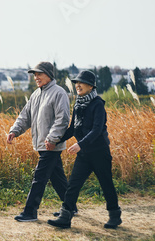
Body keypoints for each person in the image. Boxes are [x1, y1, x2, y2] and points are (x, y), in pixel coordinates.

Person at [47, 70, 122, 229]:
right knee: (73, 184)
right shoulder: (78, 105)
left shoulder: (98, 105)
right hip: (84, 155)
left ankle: (115, 216)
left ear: (90, 86)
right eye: (76, 83)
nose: (78, 85)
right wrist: (56, 140)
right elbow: (73, 129)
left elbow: (96, 130)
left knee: (106, 184)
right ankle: (65, 217)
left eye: (81, 83)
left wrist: (80, 144)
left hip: (100, 153)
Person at [7, 61, 71, 222]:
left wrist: (52, 139)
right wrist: (14, 130)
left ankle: (30, 212)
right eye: (34, 74)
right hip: (43, 144)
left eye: (39, 74)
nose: (36, 77)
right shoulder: (36, 95)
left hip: (51, 144)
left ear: (49, 75)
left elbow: (62, 119)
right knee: (57, 178)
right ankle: (71, 206)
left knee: (39, 177)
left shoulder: (59, 93)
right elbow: (25, 116)